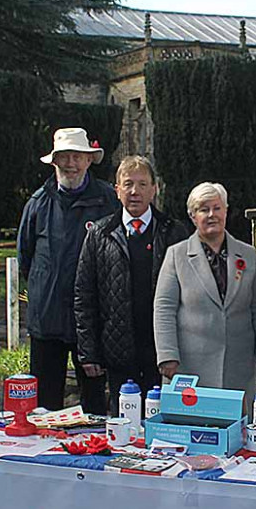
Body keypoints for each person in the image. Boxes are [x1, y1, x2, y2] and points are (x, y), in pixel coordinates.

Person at [74, 155, 188, 414]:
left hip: (161, 351)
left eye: (142, 184)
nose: (135, 192)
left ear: (154, 188)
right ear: (117, 190)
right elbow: (84, 295)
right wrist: (89, 352)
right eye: (128, 184)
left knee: (162, 422)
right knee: (123, 423)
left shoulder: (173, 232)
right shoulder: (99, 234)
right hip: (117, 352)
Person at [17, 127, 117, 413]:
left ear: (88, 160)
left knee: (94, 406)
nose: (70, 164)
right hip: (47, 321)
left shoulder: (108, 201)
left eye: (77, 157)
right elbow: (27, 258)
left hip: (94, 321)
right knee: (44, 407)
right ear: (54, 162)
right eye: (64, 157)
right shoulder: (37, 203)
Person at [153, 182, 256, 406]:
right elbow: (163, 309)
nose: (211, 215)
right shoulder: (176, 256)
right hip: (189, 368)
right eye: (203, 209)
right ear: (192, 216)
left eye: (217, 208)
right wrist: (167, 355)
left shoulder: (247, 255)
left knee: (238, 433)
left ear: (226, 211)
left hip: (238, 366)